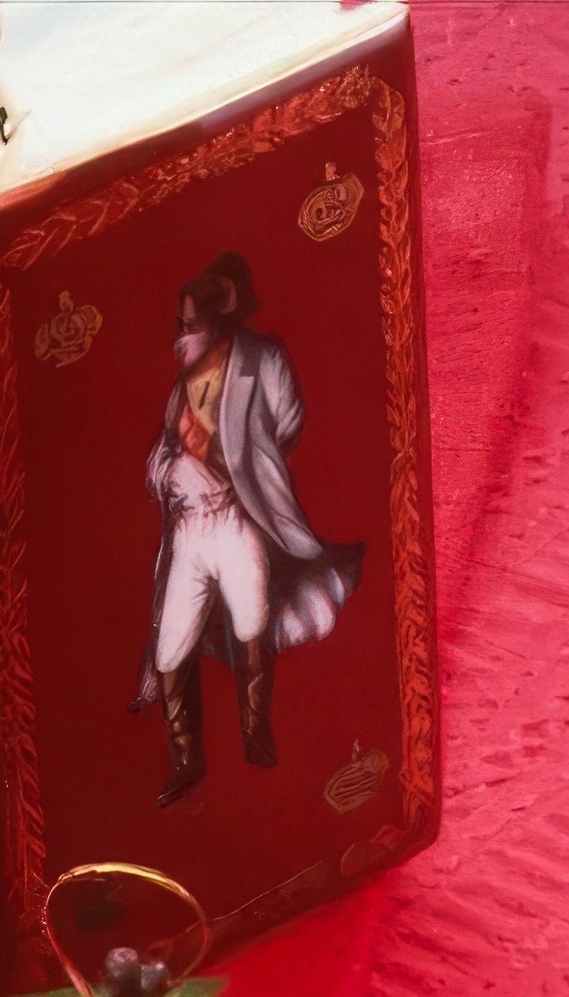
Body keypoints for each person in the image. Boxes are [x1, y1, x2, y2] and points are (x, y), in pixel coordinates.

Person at [138, 252, 363, 804]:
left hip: (241, 519)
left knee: (251, 623)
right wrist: (174, 471)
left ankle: (256, 733)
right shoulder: (179, 389)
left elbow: (288, 423)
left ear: (218, 324)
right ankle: (187, 760)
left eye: (189, 325)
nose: (180, 337)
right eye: (180, 325)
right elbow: (154, 463)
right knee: (170, 650)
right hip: (190, 531)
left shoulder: (262, 359)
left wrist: (245, 468)